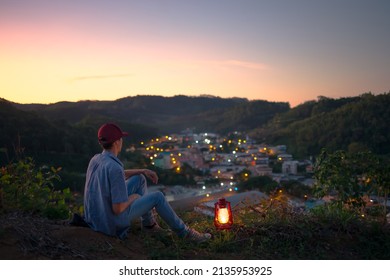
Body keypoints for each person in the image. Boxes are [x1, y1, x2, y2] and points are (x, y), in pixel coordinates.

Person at [83, 123, 211, 243]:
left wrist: (143, 171)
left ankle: (149, 226)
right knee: (158, 197)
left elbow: (116, 174)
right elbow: (117, 209)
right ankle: (185, 233)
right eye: (121, 138)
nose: (122, 141)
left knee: (139, 178)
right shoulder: (114, 167)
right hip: (110, 223)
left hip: (97, 217)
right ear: (117, 142)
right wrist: (134, 197)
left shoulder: (97, 159)